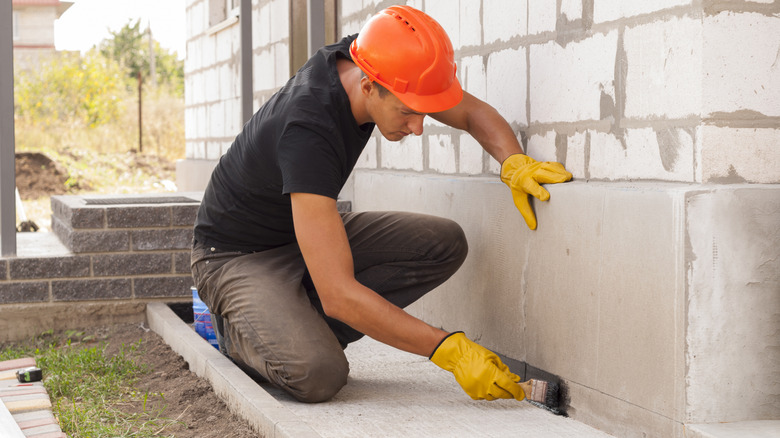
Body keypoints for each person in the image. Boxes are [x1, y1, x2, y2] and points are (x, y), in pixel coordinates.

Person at [191, 5, 572, 404]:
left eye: (423, 112)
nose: (418, 127)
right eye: (408, 112)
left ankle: (298, 325)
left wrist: (514, 162)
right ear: (368, 86)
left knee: (442, 242)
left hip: (297, 236)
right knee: (317, 373)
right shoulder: (308, 131)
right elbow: (338, 294)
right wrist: (449, 350)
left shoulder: (377, 62)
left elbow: (471, 112)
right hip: (235, 257)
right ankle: (240, 332)